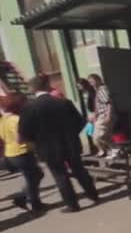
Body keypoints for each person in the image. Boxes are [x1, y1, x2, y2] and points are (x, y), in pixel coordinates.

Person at [18, 75, 98, 213]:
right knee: (79, 170)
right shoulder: (63, 102)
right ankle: (93, 194)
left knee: (60, 175)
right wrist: (71, 135)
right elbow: (80, 122)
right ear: (47, 86)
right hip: (70, 144)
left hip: (47, 148)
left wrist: (36, 142)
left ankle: (72, 204)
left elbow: (24, 132)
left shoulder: (29, 109)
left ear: (32, 89)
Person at [0, 92, 44, 212]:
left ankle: (28, 199)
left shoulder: (3, 120)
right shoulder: (16, 120)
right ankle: (31, 202)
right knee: (32, 177)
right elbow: (21, 138)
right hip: (22, 152)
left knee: (35, 176)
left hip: (10, 153)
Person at [87, 74, 113, 157]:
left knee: (98, 136)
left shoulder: (102, 89)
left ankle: (111, 149)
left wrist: (108, 115)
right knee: (104, 135)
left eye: (92, 81)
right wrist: (95, 115)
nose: (91, 84)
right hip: (100, 116)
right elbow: (98, 105)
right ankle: (110, 151)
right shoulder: (98, 90)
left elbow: (109, 103)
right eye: (90, 82)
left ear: (98, 80)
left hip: (104, 115)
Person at [76, 78, 97, 155]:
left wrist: (94, 114)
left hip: (93, 114)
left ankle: (99, 149)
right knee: (88, 132)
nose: (79, 88)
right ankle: (94, 149)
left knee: (93, 133)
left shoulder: (91, 92)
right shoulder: (82, 94)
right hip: (88, 115)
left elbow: (95, 104)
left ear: (83, 85)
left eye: (79, 86)